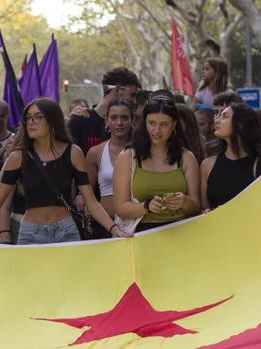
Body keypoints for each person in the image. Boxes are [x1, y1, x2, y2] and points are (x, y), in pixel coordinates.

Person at [0, 99, 124, 245]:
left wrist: (114, 229)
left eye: (38, 117)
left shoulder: (73, 152)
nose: (31, 122)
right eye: (28, 118)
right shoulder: (18, 156)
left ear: (52, 121)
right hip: (31, 233)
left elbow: (91, 202)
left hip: (66, 231)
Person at [113, 98, 201, 231]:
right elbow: (120, 207)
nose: (156, 130)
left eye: (163, 124)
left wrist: (185, 202)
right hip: (141, 234)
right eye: (152, 123)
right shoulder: (127, 157)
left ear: (174, 125)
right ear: (144, 124)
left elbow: (196, 206)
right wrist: (146, 207)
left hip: (182, 233)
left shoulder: (187, 158)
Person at [202, 103, 261, 210]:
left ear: (240, 125)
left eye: (225, 116)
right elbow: (202, 208)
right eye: (218, 115)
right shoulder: (207, 165)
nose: (217, 120)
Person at [85, 99, 134, 231]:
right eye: (114, 118)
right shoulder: (95, 152)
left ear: (132, 120)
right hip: (105, 224)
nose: (119, 123)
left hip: (138, 222)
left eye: (124, 118)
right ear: (106, 120)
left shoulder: (143, 151)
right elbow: (87, 193)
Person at [69, 67, 141, 152]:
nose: (135, 101)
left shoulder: (133, 125)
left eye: (124, 118)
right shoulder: (79, 122)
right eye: (132, 95)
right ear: (117, 90)